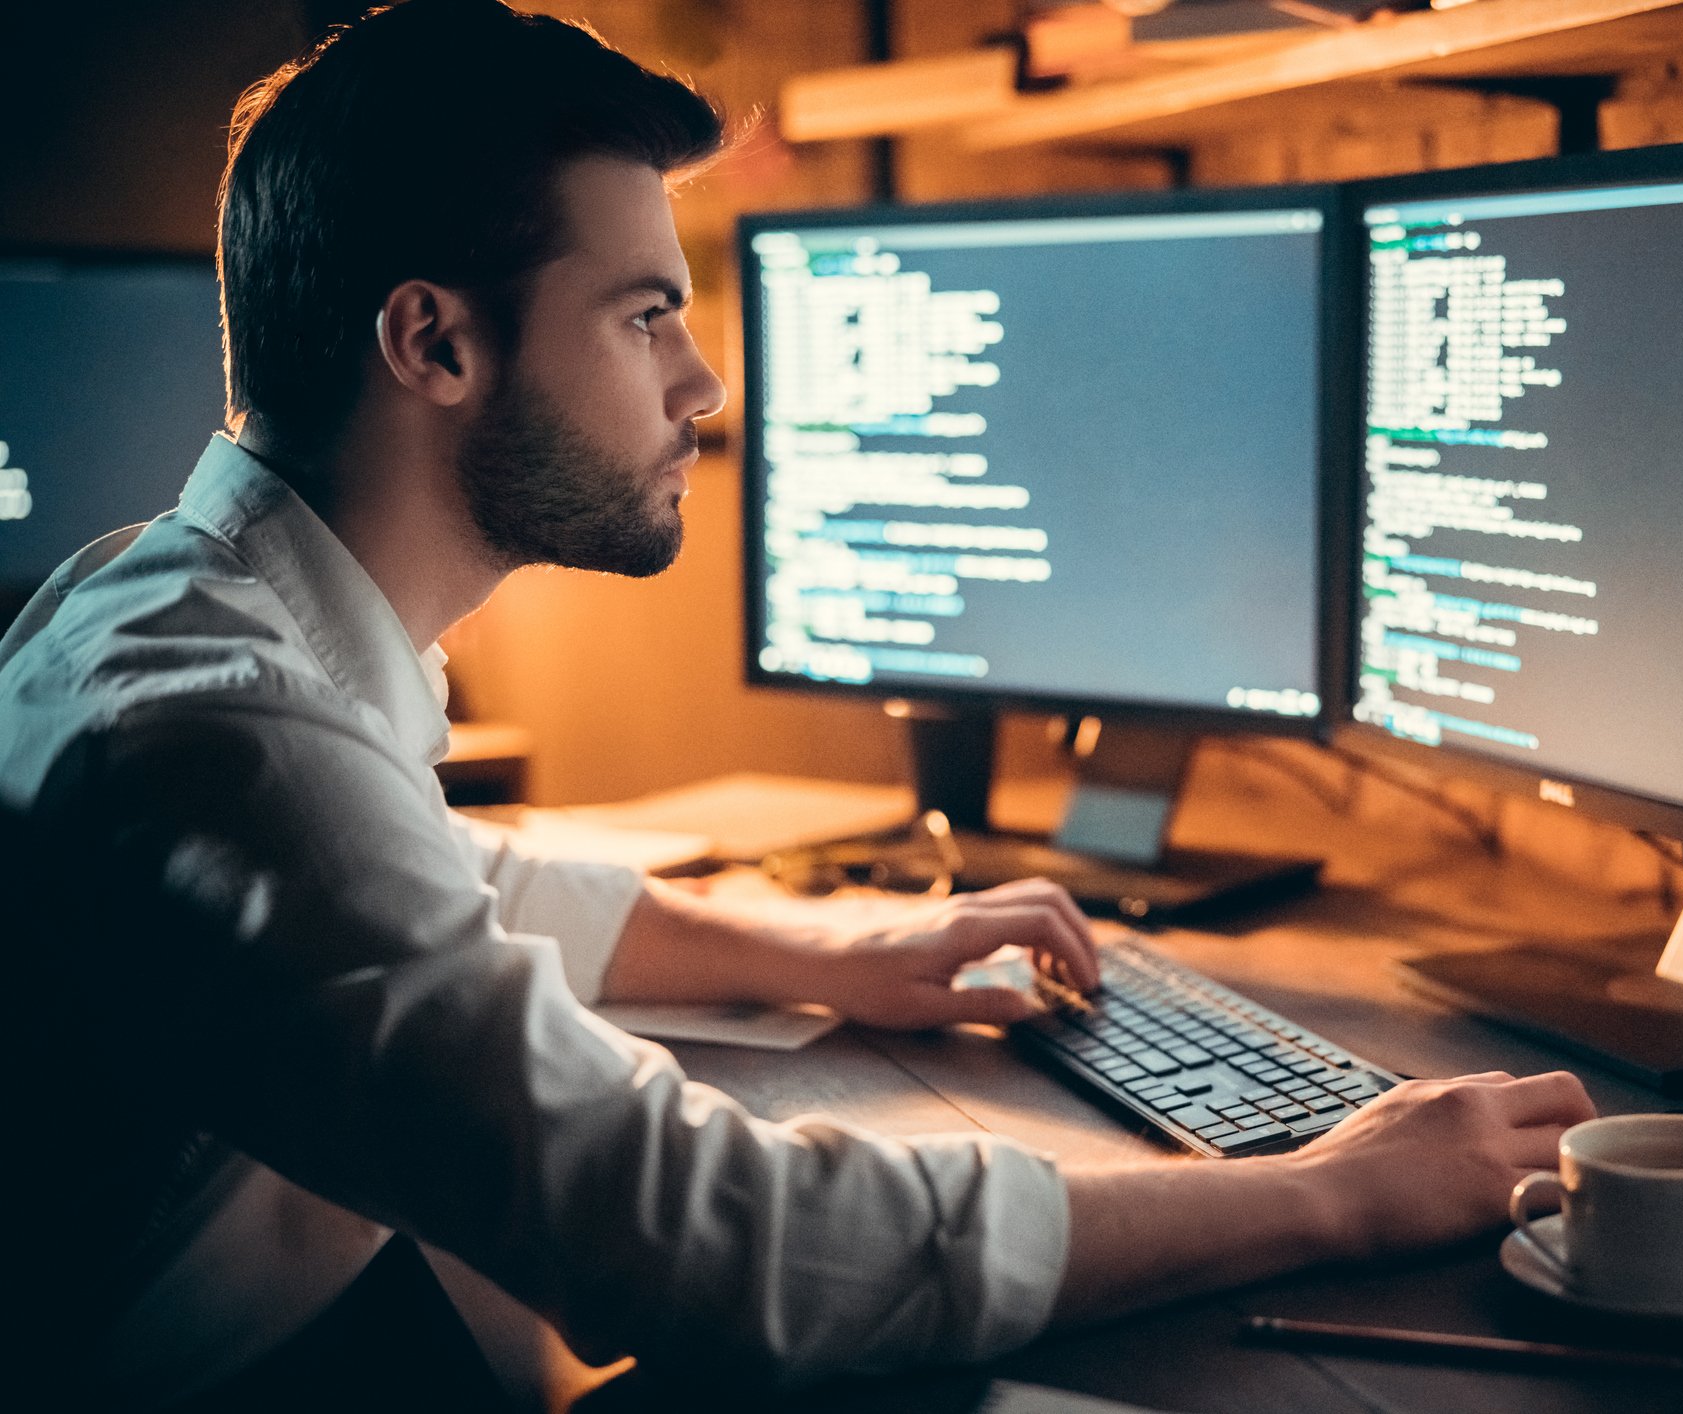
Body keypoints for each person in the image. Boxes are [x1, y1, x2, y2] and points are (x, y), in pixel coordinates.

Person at [0, 0, 1595, 1404]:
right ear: (433, 342)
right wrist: (1336, 1193)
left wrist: (832, 947)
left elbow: (430, 883)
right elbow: (725, 1250)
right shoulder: (218, 732)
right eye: (644, 316)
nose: (702, 384)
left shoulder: (185, 606)